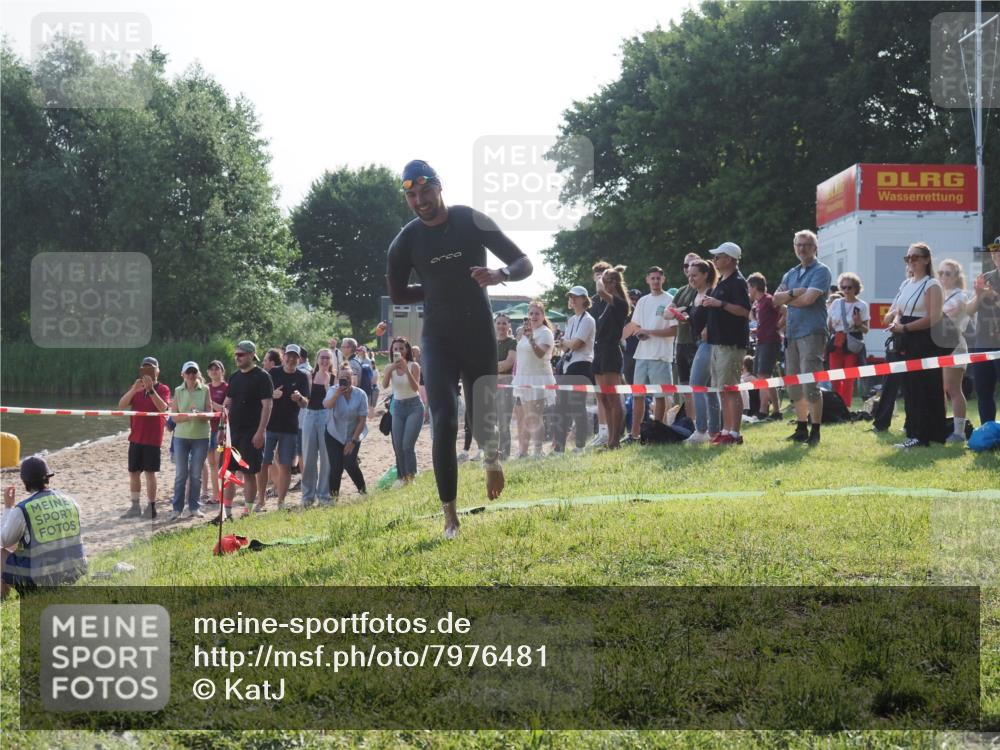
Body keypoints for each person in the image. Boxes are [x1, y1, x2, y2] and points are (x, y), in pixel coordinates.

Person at [386, 159, 532, 538]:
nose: (421, 200)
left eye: (425, 191)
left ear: (439, 187)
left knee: (482, 417)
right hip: (437, 337)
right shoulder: (406, 241)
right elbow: (399, 292)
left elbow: (523, 262)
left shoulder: (469, 221)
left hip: (478, 332)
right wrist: (437, 289)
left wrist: (500, 274)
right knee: (445, 421)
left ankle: (493, 460)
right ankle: (450, 516)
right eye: (412, 195)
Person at [773, 230, 832, 446]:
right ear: (794, 247)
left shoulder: (822, 271)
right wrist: (794, 293)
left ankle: (815, 430)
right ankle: (801, 427)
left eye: (807, 245)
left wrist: (788, 297)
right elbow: (775, 299)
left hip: (812, 333)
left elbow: (808, 300)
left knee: (810, 384)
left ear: (815, 248)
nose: (802, 248)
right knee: (793, 384)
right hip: (792, 333)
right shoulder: (791, 273)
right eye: (799, 244)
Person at [886, 242, 948, 448]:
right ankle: (914, 433)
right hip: (906, 339)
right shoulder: (906, 284)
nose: (911, 261)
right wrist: (896, 321)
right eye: (908, 258)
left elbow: (933, 317)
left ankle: (924, 436)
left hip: (924, 340)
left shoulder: (932, 284)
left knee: (925, 387)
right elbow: (897, 311)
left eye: (915, 257)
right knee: (910, 388)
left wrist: (904, 328)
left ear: (926, 260)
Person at [2, 457, 87, 599]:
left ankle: (2, 598)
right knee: (24, 538)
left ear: (24, 481)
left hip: (41, 580)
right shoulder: (71, 501)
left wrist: (8, 507)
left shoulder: (23, 509)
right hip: (74, 572)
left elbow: (3, 541)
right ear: (48, 477)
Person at [702, 242, 751, 445]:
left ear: (729, 259)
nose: (714, 260)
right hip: (718, 342)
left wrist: (719, 303)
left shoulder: (738, 282)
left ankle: (734, 433)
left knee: (731, 388)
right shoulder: (722, 281)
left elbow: (744, 311)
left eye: (718, 257)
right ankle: (725, 429)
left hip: (731, 343)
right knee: (723, 389)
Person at [220, 341, 273, 522]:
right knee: (228, 473)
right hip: (232, 433)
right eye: (236, 354)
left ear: (251, 355)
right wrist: (222, 429)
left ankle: (247, 513)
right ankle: (227, 513)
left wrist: (261, 431)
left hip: (252, 431)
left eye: (241, 354)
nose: (237, 357)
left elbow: (267, 406)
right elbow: (227, 404)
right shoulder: (234, 377)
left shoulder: (262, 376)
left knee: (249, 473)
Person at [625, 267, 677, 444]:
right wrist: (639, 332)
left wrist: (651, 332)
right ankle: (635, 434)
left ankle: (657, 431)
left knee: (660, 396)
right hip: (642, 354)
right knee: (637, 396)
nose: (655, 281)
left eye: (658, 278)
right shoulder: (643, 301)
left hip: (661, 355)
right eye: (652, 278)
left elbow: (674, 330)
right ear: (647, 280)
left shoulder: (670, 300)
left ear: (663, 279)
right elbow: (636, 325)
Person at [119, 356, 170, 519]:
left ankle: (151, 506)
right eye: (145, 368)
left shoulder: (163, 389)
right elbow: (121, 405)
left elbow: (163, 408)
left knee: (150, 473)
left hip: (152, 438)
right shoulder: (136, 388)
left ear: (157, 371)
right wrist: (134, 389)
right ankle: (135, 506)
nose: (148, 371)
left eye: (152, 368)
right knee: (134, 472)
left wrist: (151, 389)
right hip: (135, 437)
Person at [259, 344, 310, 511]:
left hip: (289, 427)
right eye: (288, 356)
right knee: (264, 462)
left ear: (299, 359)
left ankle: (281, 502)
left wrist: (300, 398)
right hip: (270, 425)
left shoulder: (302, 376)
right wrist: (272, 394)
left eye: (295, 356)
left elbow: (306, 403)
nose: (291, 359)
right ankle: (261, 501)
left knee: (285, 465)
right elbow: (261, 396)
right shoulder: (273, 373)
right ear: (284, 356)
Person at [553, 286, 596, 453]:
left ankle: (580, 446)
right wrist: (564, 344)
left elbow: (577, 344)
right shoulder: (571, 320)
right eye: (571, 297)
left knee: (577, 406)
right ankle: (560, 447)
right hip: (567, 365)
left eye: (576, 297)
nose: (573, 299)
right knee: (561, 407)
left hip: (581, 365)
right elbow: (568, 347)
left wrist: (564, 342)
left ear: (584, 299)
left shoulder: (588, 319)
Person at [593, 266, 631, 450]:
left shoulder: (620, 303)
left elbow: (599, 290)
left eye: (606, 280)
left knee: (614, 398)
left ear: (614, 283)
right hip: (599, 351)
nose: (602, 284)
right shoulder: (606, 305)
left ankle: (615, 441)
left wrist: (599, 278)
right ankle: (609, 440)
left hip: (610, 352)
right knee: (604, 399)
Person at [512, 301, 556, 458]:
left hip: (538, 379)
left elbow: (540, 355)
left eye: (537, 313)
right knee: (525, 418)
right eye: (531, 313)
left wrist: (531, 340)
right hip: (523, 378)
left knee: (534, 416)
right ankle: (523, 452)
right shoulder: (523, 332)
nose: (533, 316)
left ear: (543, 316)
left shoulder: (545, 333)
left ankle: (538, 451)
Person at [169, 362, 213, 521]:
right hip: (181, 437)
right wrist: (187, 416)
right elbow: (173, 416)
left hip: (201, 436)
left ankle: (194, 507)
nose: (191, 375)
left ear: (198, 373)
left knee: (196, 474)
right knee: (181, 474)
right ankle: (177, 509)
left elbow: (210, 413)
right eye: (188, 372)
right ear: (183, 375)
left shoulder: (205, 389)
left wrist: (200, 414)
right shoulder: (177, 391)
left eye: (194, 372)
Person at [684, 260, 722, 444]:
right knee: (708, 389)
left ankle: (701, 429)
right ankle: (714, 431)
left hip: (709, 344)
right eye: (689, 275)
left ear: (705, 275)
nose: (691, 278)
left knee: (696, 385)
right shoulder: (695, 295)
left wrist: (706, 327)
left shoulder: (711, 293)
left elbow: (714, 317)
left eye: (695, 275)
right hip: (700, 343)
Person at [965, 236, 1000, 424]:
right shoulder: (986, 277)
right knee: (983, 391)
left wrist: (993, 296)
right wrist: (978, 296)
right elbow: (969, 310)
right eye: (994, 250)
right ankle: (988, 432)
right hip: (983, 345)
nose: (996, 254)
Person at [323, 362, 369, 498]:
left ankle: (363, 491)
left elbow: (362, 420)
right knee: (336, 467)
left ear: (352, 378)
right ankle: (333, 498)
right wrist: (337, 394)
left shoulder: (360, 394)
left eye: (348, 377)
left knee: (350, 463)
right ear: (337, 379)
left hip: (354, 434)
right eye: (342, 378)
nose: (346, 380)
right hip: (333, 434)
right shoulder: (333, 390)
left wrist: (353, 441)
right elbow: (326, 405)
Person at [382, 336, 424, 485]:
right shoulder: (389, 367)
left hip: (414, 407)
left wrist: (406, 371)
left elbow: (415, 388)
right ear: (392, 351)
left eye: (401, 348)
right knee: (398, 445)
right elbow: (385, 385)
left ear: (407, 350)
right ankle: (402, 477)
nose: (398, 351)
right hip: (398, 408)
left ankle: (411, 477)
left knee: (407, 445)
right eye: (395, 349)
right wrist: (390, 370)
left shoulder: (414, 366)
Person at [938, 259, 971, 443]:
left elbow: (944, 315)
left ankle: (959, 433)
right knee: (940, 389)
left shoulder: (960, 296)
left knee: (953, 389)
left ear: (957, 276)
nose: (943, 277)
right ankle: (940, 426)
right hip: (939, 347)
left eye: (947, 273)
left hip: (954, 346)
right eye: (941, 273)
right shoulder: (940, 294)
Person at [826, 272, 869, 409]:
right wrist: (830, 325)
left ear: (856, 288)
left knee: (848, 379)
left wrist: (858, 324)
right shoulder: (836, 303)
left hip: (852, 343)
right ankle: (837, 407)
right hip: (837, 342)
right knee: (835, 378)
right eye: (843, 287)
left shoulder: (862, 305)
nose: (846, 290)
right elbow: (829, 325)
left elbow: (866, 329)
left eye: (849, 287)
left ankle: (846, 407)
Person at [301, 348, 335, 507]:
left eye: (328, 358)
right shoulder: (309, 376)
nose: (324, 361)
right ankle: (307, 497)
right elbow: (306, 399)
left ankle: (324, 496)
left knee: (326, 458)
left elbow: (334, 401)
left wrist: (329, 386)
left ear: (331, 360)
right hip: (310, 415)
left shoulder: (335, 378)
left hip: (326, 416)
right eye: (322, 358)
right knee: (308, 457)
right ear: (317, 359)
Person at [747, 272, 782, 420]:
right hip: (762, 341)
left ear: (755, 287)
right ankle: (777, 411)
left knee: (762, 376)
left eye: (749, 287)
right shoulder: (758, 303)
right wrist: (756, 330)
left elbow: (785, 310)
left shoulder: (768, 300)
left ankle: (762, 411)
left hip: (770, 341)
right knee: (766, 376)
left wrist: (778, 326)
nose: (748, 290)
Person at [671, 253, 702, 422]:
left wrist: (680, 310)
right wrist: (682, 310)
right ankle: (690, 423)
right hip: (680, 342)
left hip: (695, 342)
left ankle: (701, 423)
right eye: (685, 267)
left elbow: (679, 311)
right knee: (685, 387)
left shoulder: (703, 289)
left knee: (699, 386)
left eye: (692, 266)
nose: (688, 270)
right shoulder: (682, 290)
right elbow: (667, 313)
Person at [588, 260, 614, 447]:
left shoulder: (616, 298)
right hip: (595, 350)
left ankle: (614, 431)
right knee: (600, 394)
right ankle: (603, 431)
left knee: (613, 393)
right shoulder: (591, 301)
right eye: (597, 275)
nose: (600, 278)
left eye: (603, 275)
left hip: (612, 350)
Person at [203, 360, 228, 504]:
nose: (214, 371)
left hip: (221, 432)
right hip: (207, 430)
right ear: (207, 372)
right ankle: (215, 495)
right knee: (211, 463)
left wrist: (212, 404)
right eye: (211, 369)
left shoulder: (227, 388)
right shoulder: (205, 388)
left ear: (222, 372)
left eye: (217, 369)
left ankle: (222, 494)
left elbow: (226, 410)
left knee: (219, 463)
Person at [495, 314, 518, 460]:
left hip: (506, 386)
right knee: (491, 421)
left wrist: (491, 368)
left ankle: (505, 454)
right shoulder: (490, 341)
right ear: (495, 324)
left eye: (504, 323)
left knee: (504, 422)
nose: (501, 326)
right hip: (490, 386)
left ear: (509, 325)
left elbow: (509, 363)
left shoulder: (512, 342)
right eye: (499, 323)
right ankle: (494, 452)